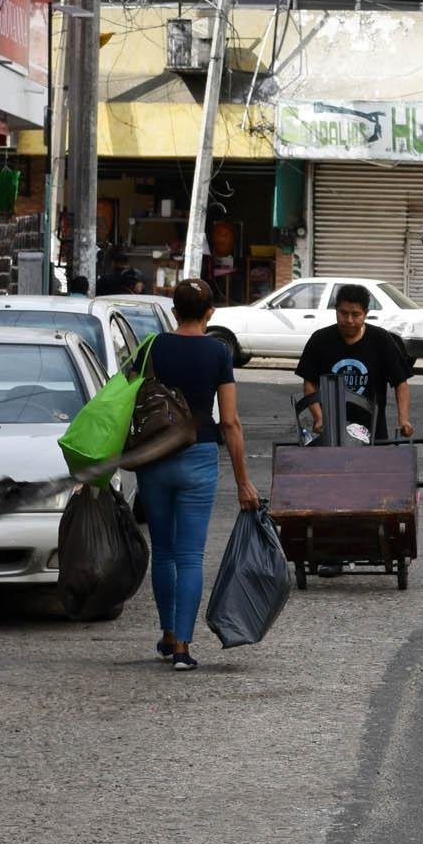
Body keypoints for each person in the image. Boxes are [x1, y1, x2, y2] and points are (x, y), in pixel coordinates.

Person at [137, 278, 259, 672]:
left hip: (154, 456)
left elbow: (125, 401)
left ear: (174, 311)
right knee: (190, 554)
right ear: (211, 313)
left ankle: (168, 632)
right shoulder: (218, 352)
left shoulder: (151, 347)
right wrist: (243, 480)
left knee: (164, 551)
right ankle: (183, 649)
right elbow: (230, 421)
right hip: (199, 455)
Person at [295, 282, 416, 442]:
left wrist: (403, 420)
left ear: (365, 313)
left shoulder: (381, 340)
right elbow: (310, 383)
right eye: (343, 313)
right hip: (332, 432)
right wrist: (319, 417)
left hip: (373, 433)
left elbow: (400, 383)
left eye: (355, 314)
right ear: (336, 311)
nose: (349, 320)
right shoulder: (320, 339)